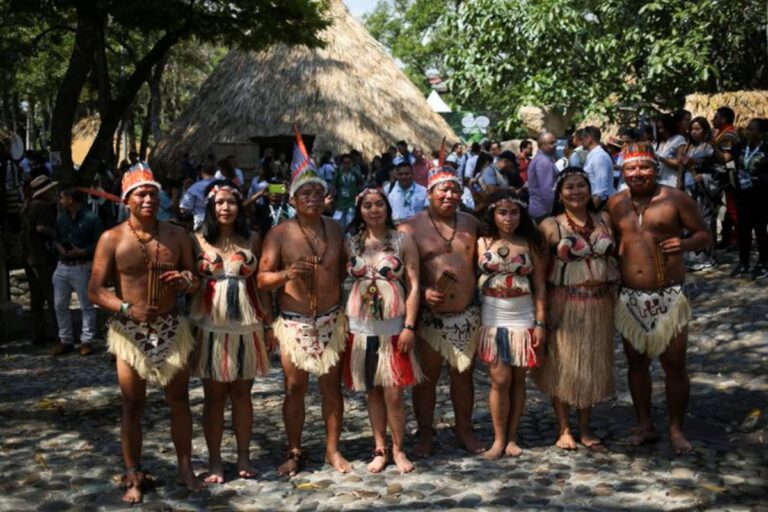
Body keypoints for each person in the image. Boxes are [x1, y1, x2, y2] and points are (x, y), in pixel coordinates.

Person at [87, 163, 203, 502]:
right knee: (132, 404)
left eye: (153, 193)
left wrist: (185, 281)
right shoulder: (112, 238)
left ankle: (185, 467)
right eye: (141, 193)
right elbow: (95, 290)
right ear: (127, 200)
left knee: (178, 400)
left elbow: (195, 279)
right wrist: (126, 308)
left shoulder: (177, 235)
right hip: (130, 330)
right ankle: (133, 472)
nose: (149, 198)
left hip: (171, 327)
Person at [606, 142, 709, 455]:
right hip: (630, 297)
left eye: (644, 167)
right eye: (631, 168)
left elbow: (704, 235)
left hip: (669, 294)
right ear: (622, 171)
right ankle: (644, 424)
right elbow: (608, 243)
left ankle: (676, 428)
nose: (638, 174)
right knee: (637, 365)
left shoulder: (676, 199)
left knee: (674, 364)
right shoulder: (615, 203)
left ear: (655, 167)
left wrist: (684, 244)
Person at [257, 154, 350, 476]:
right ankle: (294, 450)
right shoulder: (279, 233)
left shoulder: (336, 230)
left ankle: (332, 449)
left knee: (331, 389)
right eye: (304, 193)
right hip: (293, 322)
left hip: (330, 319)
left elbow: (341, 271)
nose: (311, 197)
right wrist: (287, 275)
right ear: (293, 199)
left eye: (317, 192)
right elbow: (261, 280)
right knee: (294, 389)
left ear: (326, 198)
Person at [189, 180, 274, 483]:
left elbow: (261, 284)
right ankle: (214, 462)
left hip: (247, 327)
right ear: (211, 206)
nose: (225, 208)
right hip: (210, 327)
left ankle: (243, 456)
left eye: (231, 202)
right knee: (213, 397)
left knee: (242, 395)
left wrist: (269, 322)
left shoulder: (252, 238)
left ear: (240, 206)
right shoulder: (197, 240)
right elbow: (190, 284)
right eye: (220, 202)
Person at [399, 165, 484, 457]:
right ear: (429, 194)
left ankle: (465, 429)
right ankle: (425, 434)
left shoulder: (471, 223)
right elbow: (396, 274)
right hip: (428, 319)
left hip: (466, 315)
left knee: (464, 376)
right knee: (426, 379)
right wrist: (422, 293)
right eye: (443, 190)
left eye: (455, 190)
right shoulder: (409, 228)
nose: (449, 195)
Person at [535, 168, 619, 449]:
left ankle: (585, 428)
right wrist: (541, 314)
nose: (576, 191)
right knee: (563, 365)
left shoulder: (604, 219)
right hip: (564, 303)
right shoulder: (550, 225)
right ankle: (564, 429)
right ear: (560, 193)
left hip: (599, 305)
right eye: (569, 187)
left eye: (581, 185)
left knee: (591, 364)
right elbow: (538, 273)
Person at [343, 188, 422, 473]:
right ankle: (380, 449)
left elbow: (413, 286)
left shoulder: (403, 241)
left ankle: (399, 449)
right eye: (368, 205)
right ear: (360, 210)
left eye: (379, 204)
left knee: (395, 394)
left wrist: (409, 326)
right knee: (373, 392)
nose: (374, 210)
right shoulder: (351, 243)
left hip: (394, 328)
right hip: (361, 329)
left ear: (387, 208)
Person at [476, 193, 546, 459]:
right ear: (493, 214)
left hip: (523, 316)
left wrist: (540, 323)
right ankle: (497, 438)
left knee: (518, 380)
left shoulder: (531, 243)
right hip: (492, 317)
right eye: (502, 212)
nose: (508, 218)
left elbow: (539, 287)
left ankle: (512, 437)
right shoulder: (482, 242)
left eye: (514, 212)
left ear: (522, 214)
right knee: (499, 379)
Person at [50, 188, 104, 356]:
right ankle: (65, 339)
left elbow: (101, 243)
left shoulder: (91, 218)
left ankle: (86, 340)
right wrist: (61, 249)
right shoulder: (62, 218)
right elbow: (56, 238)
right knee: (59, 304)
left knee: (86, 304)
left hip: (81, 265)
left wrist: (83, 252)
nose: (60, 200)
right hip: (63, 264)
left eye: (62, 197)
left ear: (70, 199)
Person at [721, 118, 768, 279]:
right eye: (747, 129)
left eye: (752, 129)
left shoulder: (766, 150)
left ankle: (763, 262)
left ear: (761, 133)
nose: (748, 131)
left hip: (761, 197)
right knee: (743, 230)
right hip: (742, 196)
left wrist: (756, 179)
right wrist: (713, 145)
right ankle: (744, 262)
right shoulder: (740, 148)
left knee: (761, 231)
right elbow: (724, 159)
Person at [21, 175, 59, 344]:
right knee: (52, 296)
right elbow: (41, 228)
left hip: (30, 256)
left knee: (36, 298)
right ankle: (60, 331)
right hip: (42, 257)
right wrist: (56, 234)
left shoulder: (27, 206)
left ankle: (38, 332)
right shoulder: (41, 207)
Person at [680, 117, 718, 270]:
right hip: (688, 191)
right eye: (692, 129)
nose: (694, 132)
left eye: (698, 129)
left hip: (703, 191)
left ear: (705, 130)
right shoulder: (688, 147)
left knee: (704, 221)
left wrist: (704, 177)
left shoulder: (709, 148)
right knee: (688, 222)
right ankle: (690, 257)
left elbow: (721, 170)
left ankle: (706, 256)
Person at [711, 107, 740, 249]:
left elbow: (725, 158)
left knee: (733, 209)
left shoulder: (729, 135)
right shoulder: (721, 133)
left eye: (716, 117)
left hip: (729, 177)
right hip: (722, 177)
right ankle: (727, 238)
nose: (713, 119)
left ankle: (737, 239)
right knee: (726, 211)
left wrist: (711, 144)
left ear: (724, 119)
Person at [527, 132, 558, 220]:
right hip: (544, 211)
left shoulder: (541, 159)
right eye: (551, 143)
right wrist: (554, 209)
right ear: (541, 146)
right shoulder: (543, 162)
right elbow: (547, 189)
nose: (555, 145)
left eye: (555, 142)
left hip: (539, 208)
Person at [582, 126, 615, 208]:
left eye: (582, 138)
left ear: (589, 139)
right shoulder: (593, 155)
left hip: (600, 207)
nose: (581, 141)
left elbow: (600, 191)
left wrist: (592, 213)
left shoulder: (599, 157)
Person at [655, 112, 688, 189]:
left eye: (663, 127)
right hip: (658, 182)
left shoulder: (678, 139)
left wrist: (660, 158)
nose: (661, 131)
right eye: (659, 128)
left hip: (671, 182)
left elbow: (679, 163)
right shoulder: (657, 143)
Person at [331, 153, 363, 229]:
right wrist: (332, 198)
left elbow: (361, 183)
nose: (346, 165)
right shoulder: (338, 173)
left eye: (348, 163)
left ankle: (350, 240)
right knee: (337, 226)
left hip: (351, 203)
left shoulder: (355, 173)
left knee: (350, 225)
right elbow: (333, 186)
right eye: (344, 163)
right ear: (341, 163)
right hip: (340, 203)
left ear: (351, 163)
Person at [180, 163, 216, 230]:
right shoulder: (222, 185)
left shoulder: (195, 187)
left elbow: (184, 207)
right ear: (215, 171)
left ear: (202, 172)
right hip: (219, 219)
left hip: (201, 219)